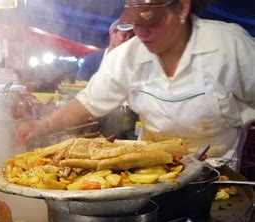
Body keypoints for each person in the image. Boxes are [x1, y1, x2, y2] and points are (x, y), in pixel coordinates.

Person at [17, 0, 255, 170]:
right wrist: (44, 125)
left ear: (182, 7)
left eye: (150, 21)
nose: (141, 32)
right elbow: (89, 102)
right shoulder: (128, 57)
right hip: (151, 172)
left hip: (217, 177)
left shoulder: (229, 48)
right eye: (135, 23)